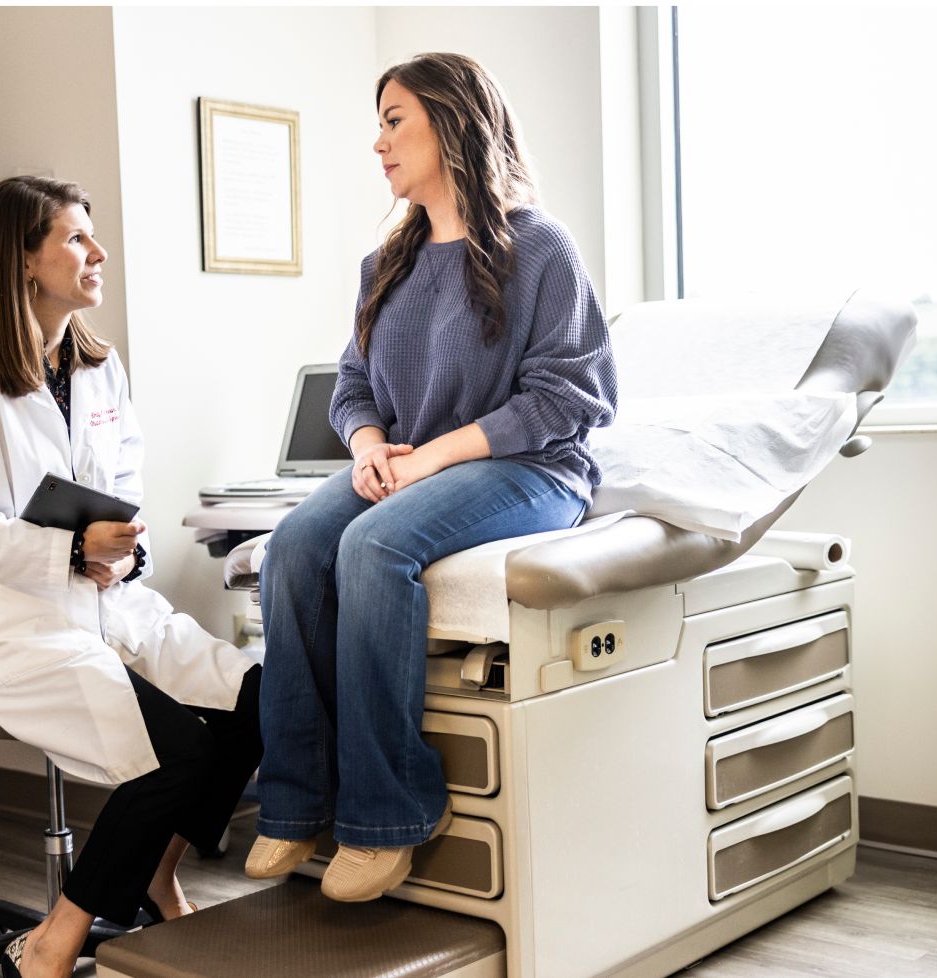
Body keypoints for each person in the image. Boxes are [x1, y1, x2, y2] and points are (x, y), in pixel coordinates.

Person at [244, 53, 618, 903]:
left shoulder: (542, 248)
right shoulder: (390, 263)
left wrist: (428, 460)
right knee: (295, 547)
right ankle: (297, 802)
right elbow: (353, 385)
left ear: (451, 122)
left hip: (530, 469)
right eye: (379, 123)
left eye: (393, 119)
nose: (377, 142)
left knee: (373, 547)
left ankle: (386, 816)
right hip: (407, 460)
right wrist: (370, 444)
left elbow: (571, 396)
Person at [0, 176, 261, 978]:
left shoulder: (100, 367)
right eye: (74, 238)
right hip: (10, 620)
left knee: (259, 703)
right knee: (176, 757)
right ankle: (54, 940)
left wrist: (119, 553)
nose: (97, 253)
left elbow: (122, 497)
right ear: (23, 260)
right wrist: (68, 554)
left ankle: (155, 878)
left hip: (112, 603)